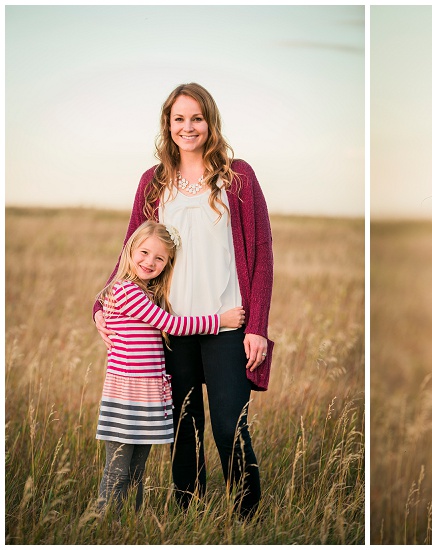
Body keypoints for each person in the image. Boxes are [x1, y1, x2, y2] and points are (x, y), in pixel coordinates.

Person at [93, 83, 273, 519]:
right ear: (168, 125)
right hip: (171, 329)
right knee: (183, 428)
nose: (188, 127)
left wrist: (257, 327)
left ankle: (247, 514)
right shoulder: (153, 183)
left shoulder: (238, 177)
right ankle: (187, 510)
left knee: (230, 425)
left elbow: (262, 256)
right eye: (179, 119)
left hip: (229, 323)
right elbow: (131, 248)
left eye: (196, 118)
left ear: (210, 122)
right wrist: (101, 304)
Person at [94, 221, 246, 514]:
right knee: (117, 470)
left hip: (147, 395)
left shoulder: (147, 293)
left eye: (160, 258)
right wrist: (221, 321)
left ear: (167, 264)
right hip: (126, 395)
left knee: (137, 471)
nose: (149, 261)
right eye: (144, 252)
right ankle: (104, 525)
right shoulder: (126, 291)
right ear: (130, 250)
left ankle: (129, 524)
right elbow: (173, 324)